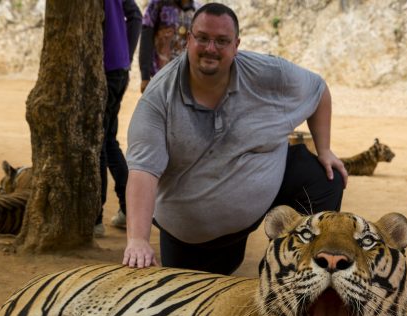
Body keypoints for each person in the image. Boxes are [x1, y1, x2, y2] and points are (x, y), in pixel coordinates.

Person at [124, 2, 347, 273]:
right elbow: (142, 172)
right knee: (195, 301)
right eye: (203, 38)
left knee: (324, 177)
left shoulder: (266, 73)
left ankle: (293, 268)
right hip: (192, 233)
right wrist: (137, 239)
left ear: (236, 45)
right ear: (188, 40)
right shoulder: (158, 99)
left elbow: (318, 89)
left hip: (257, 197)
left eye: (222, 41)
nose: (211, 49)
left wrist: (324, 150)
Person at [95, 0, 142, 237]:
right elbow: (136, 16)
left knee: (99, 144)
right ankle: (127, 209)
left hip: (103, 70)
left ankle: (95, 217)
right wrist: (126, 53)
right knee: (108, 141)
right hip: (119, 68)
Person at [138, 0, 201, 94]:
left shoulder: (198, 10)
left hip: (187, 80)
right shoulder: (157, 4)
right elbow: (146, 38)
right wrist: (145, 76)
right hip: (160, 78)